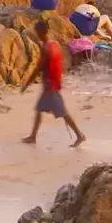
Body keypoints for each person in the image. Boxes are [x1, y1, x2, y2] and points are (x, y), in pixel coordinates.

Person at [24, 19, 87, 147]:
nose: (36, 34)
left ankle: (79, 135)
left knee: (63, 112)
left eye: (37, 32)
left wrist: (27, 84)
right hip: (54, 83)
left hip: (50, 86)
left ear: (40, 32)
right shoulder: (55, 44)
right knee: (39, 109)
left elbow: (38, 68)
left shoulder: (46, 48)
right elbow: (59, 64)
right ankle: (33, 136)